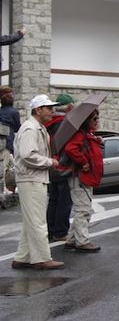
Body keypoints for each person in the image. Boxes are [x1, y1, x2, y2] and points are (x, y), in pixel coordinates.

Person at [11, 94, 64, 270]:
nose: (52, 111)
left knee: (31, 221)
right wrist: (49, 162)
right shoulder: (31, 129)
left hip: (33, 177)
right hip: (31, 178)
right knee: (38, 221)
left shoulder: (35, 127)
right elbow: (28, 155)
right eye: (48, 108)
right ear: (37, 110)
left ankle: (23, 257)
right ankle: (41, 258)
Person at [62, 110, 104, 252]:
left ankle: (72, 239)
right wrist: (84, 162)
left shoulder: (87, 135)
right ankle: (82, 241)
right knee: (83, 209)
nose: (97, 120)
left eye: (97, 117)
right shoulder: (80, 135)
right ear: (86, 121)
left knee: (82, 208)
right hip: (81, 177)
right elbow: (70, 149)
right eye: (94, 118)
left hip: (85, 177)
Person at [45, 94, 76, 242]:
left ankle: (50, 230)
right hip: (63, 165)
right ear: (69, 106)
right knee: (64, 200)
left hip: (50, 165)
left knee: (53, 200)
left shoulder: (47, 123)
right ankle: (61, 231)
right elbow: (69, 147)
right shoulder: (65, 124)